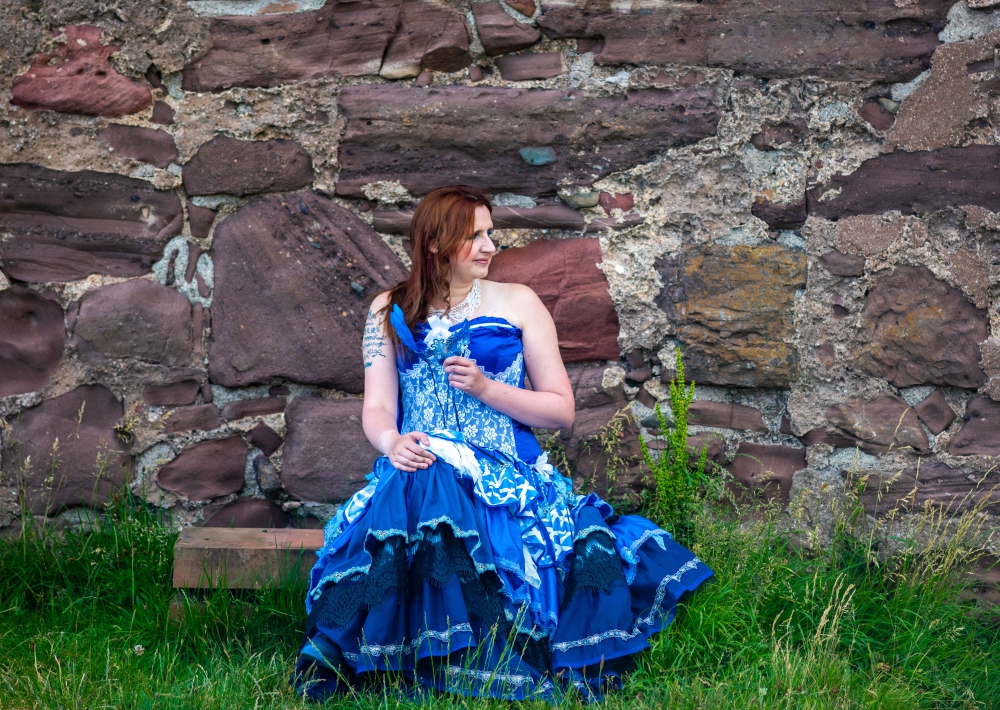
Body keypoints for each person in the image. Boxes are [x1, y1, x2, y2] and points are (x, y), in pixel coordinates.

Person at [292, 185, 713, 701]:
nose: (491, 246)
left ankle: (341, 649)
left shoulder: (519, 303)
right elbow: (377, 406)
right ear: (435, 245)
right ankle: (412, 648)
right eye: (475, 237)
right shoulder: (387, 309)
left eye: (491, 233)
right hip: (416, 463)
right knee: (424, 469)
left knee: (431, 476)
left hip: (503, 471)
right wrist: (391, 441)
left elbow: (561, 410)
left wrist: (488, 388)